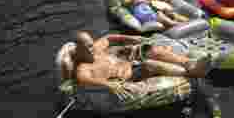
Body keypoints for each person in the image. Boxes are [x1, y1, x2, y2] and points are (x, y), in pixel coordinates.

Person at [70, 30, 211, 89]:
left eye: (91, 44)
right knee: (149, 64)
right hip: (131, 77)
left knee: (151, 49)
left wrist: (132, 38)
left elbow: (109, 38)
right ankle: (191, 73)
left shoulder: (96, 48)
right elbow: (84, 79)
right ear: (78, 51)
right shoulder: (83, 68)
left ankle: (189, 64)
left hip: (129, 62)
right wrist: (109, 85)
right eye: (87, 48)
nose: (92, 49)